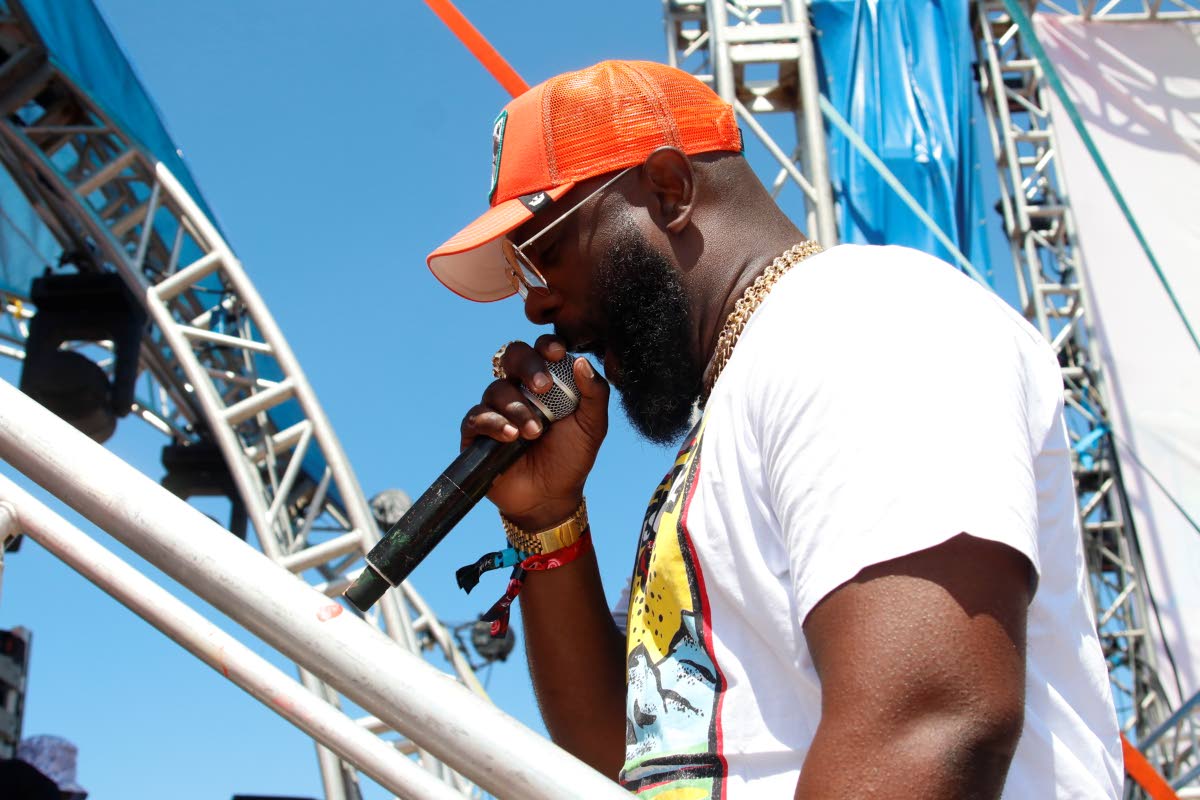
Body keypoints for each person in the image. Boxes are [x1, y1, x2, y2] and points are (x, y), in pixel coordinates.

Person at [426, 60, 1122, 799]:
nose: (536, 306)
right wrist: (548, 518)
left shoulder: (863, 319)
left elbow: (928, 723)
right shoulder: (746, 396)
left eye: (546, 255)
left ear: (669, 191)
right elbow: (633, 760)